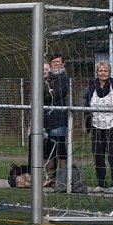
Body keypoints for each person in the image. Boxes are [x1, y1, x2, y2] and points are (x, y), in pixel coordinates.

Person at [83, 61, 113, 193]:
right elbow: (83, 98)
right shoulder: (91, 86)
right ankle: (101, 184)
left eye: (105, 71)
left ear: (109, 72)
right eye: (100, 70)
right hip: (96, 125)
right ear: (97, 72)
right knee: (98, 155)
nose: (103, 73)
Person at [42, 52, 69, 185]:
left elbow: (57, 95)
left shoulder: (63, 77)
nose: (56, 64)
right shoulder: (47, 77)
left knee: (60, 147)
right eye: (54, 62)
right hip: (46, 118)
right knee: (48, 147)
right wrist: (48, 92)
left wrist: (49, 93)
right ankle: (50, 178)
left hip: (59, 118)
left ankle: (64, 178)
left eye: (58, 62)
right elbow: (40, 94)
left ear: (62, 64)